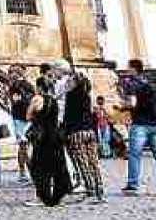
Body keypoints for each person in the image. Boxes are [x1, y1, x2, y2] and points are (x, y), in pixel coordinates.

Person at [119, 59, 156, 197]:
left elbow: (132, 104)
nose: (127, 70)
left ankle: (133, 185)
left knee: (135, 155)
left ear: (134, 69)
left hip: (140, 124)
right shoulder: (148, 83)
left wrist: (122, 107)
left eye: (128, 68)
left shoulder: (131, 84)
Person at [25, 77, 71, 206]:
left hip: (42, 137)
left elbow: (28, 115)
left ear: (39, 87)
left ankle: (42, 196)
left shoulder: (37, 99)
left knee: (39, 167)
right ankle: (58, 195)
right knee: (57, 166)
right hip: (55, 136)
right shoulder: (54, 100)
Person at [62, 70, 105, 202]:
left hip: (77, 132)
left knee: (83, 163)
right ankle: (99, 189)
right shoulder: (87, 95)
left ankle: (90, 189)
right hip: (89, 131)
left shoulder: (71, 96)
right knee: (94, 162)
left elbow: (68, 116)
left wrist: (65, 132)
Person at [6, 65, 35, 184]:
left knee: (24, 146)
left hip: (21, 118)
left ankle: (26, 172)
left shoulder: (16, 86)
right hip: (24, 117)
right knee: (25, 146)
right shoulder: (24, 85)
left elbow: (16, 101)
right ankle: (27, 171)